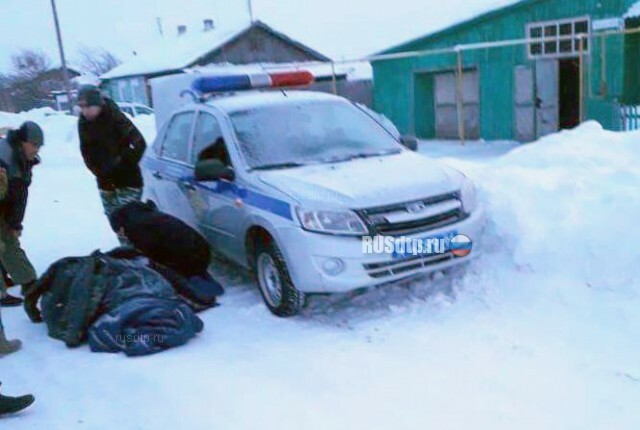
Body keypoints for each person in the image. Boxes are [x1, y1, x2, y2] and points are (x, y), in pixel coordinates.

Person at [77, 85, 147, 243]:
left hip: (128, 182)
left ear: (98, 104)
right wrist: (98, 170)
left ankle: (138, 258)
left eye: (88, 106)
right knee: (116, 224)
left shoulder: (116, 118)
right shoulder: (83, 124)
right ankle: (127, 255)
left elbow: (139, 143)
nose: (85, 111)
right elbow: (86, 151)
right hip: (105, 183)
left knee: (130, 224)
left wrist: (122, 163)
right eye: (81, 107)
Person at [0, 122, 42, 308]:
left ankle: (28, 282)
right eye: (34, 145)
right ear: (23, 142)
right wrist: (13, 224)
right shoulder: (7, 158)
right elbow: (13, 196)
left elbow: (17, 197)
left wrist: (14, 224)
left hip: (4, 199)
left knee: (8, 240)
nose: (37, 149)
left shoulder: (20, 157)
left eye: (39, 146)